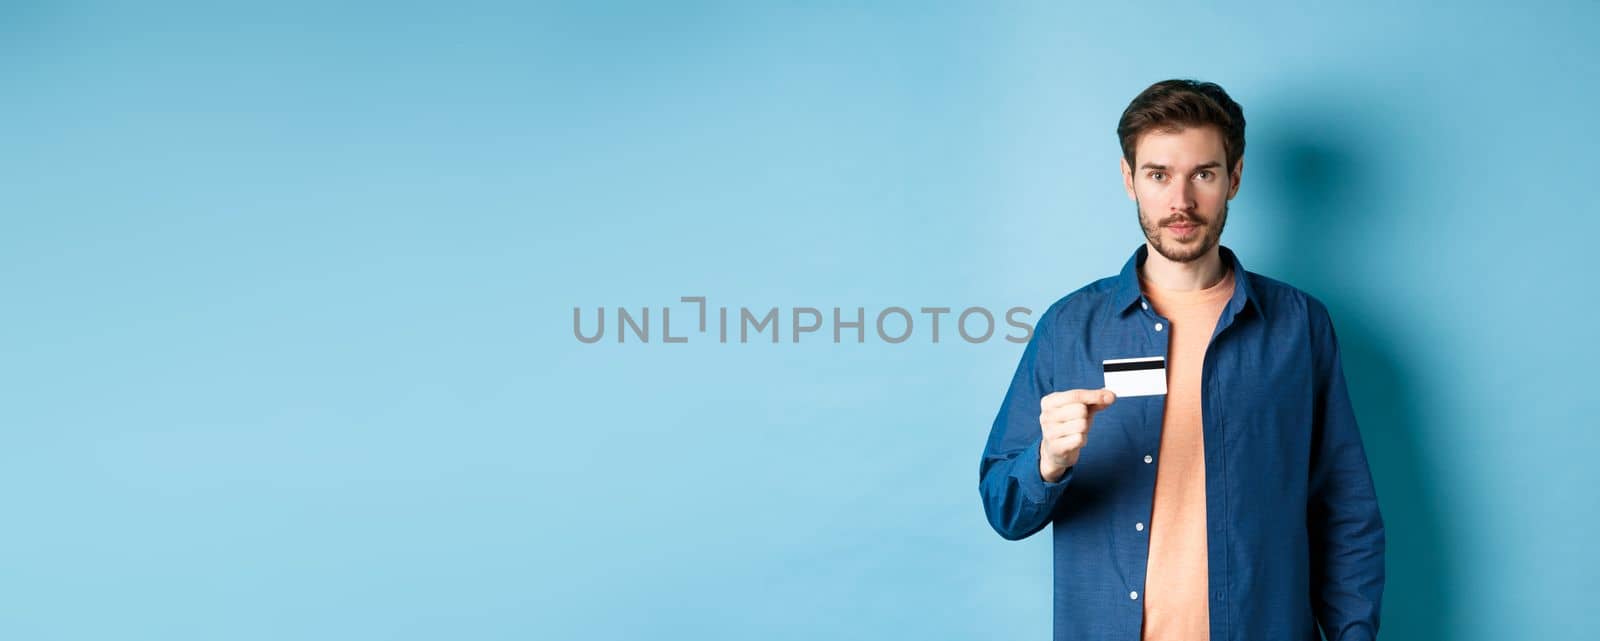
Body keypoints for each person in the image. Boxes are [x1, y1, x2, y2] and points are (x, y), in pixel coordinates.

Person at [977, 79, 1385, 641]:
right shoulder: (1069, 329)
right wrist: (1047, 461)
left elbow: (1346, 512)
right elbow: (1004, 508)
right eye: (1159, 175)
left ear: (1234, 178)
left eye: (1204, 174)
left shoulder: (1298, 326)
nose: (1181, 202)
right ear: (1129, 181)